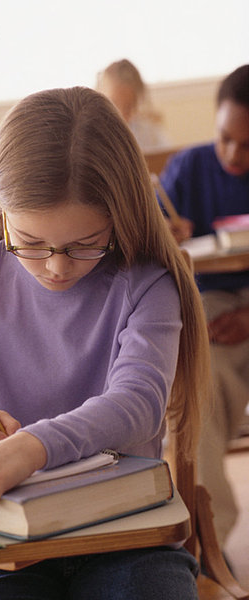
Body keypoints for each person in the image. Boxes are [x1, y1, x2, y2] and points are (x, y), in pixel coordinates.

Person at [0, 87, 210, 599]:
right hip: (8, 546)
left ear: (120, 217)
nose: (56, 267)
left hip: (128, 536)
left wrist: (31, 448)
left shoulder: (146, 284)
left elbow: (138, 405)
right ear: (2, 213)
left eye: (84, 244)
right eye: (30, 243)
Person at [159, 64, 249, 549]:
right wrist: (163, 235)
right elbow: (149, 239)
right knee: (200, 386)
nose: (234, 154)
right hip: (210, 306)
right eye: (225, 138)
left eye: (248, 145)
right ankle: (210, 537)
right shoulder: (189, 168)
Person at [96, 59, 170, 152]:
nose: (121, 115)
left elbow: (166, 157)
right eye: (114, 105)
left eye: (128, 107)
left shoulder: (149, 133)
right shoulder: (94, 134)